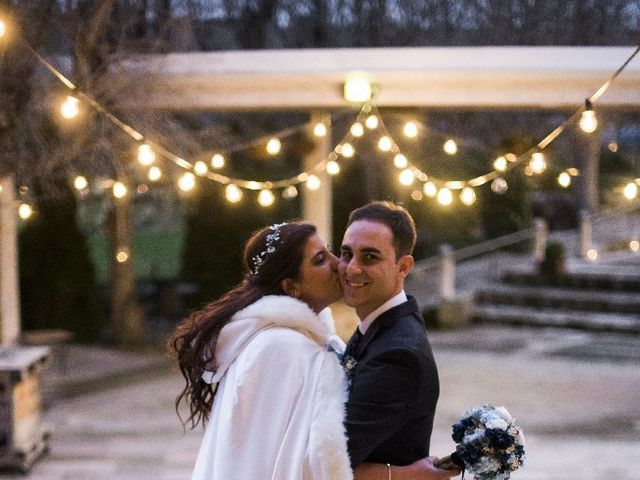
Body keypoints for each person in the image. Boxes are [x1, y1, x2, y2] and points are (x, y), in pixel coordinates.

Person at [170, 221, 444, 480]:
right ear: (292, 287)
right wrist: (406, 475)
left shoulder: (287, 339)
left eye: (330, 251)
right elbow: (301, 466)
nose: (341, 265)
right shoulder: (284, 349)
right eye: (320, 260)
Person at [339, 201, 457, 480]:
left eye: (370, 257)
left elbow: (325, 462)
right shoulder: (378, 326)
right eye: (346, 254)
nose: (352, 269)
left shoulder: (399, 355)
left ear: (403, 266)